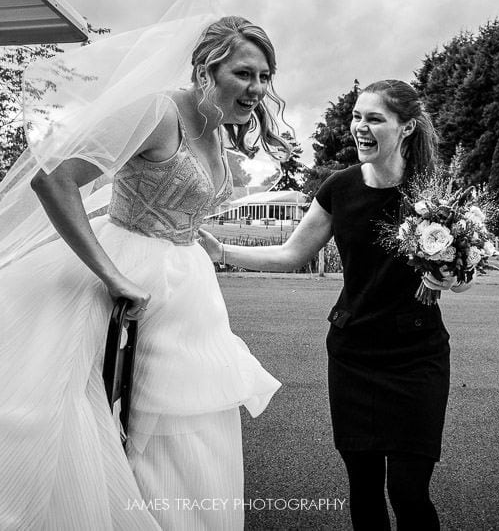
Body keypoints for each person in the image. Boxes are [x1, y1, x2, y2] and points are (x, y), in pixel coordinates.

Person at [0, 12, 288, 529]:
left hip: (189, 288)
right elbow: (54, 180)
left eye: (264, 77)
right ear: (206, 68)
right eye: (244, 73)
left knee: (189, 418)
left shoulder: (218, 129)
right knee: (106, 416)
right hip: (127, 273)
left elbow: (174, 199)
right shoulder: (158, 112)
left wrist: (192, 235)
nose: (257, 88)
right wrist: (113, 276)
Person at [198, 80, 474, 530]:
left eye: (375, 119)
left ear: (405, 128)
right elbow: (291, 254)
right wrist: (221, 252)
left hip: (417, 356)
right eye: (357, 117)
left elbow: (464, 276)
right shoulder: (339, 188)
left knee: (408, 489)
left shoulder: (435, 195)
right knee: (363, 487)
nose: (360, 128)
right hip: (354, 353)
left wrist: (449, 277)